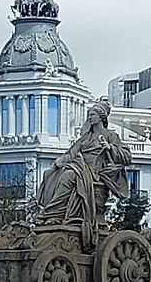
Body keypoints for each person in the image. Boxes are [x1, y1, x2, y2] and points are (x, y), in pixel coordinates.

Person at [35, 99, 131, 238]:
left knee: (69, 175)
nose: (89, 118)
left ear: (100, 116)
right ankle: (51, 214)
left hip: (95, 173)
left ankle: (52, 214)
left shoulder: (110, 136)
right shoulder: (86, 137)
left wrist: (110, 148)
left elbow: (127, 157)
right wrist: (59, 161)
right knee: (50, 173)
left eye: (92, 115)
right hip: (80, 167)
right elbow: (72, 153)